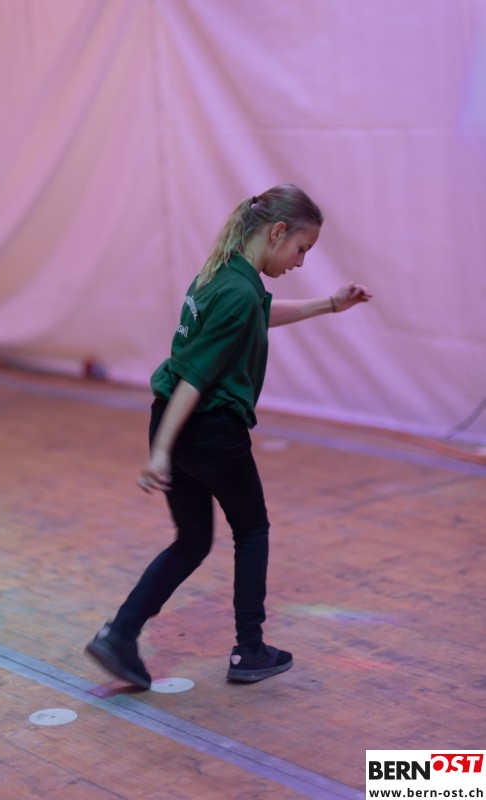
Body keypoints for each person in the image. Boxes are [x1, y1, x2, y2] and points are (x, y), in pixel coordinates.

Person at [85, 183, 371, 688]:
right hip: (210, 429)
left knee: (193, 539)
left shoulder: (223, 274)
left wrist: (330, 304)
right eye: (301, 248)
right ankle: (250, 651)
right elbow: (196, 378)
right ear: (277, 232)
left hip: (174, 420)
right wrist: (159, 453)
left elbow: (260, 313)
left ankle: (120, 634)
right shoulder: (239, 290)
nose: (301, 261)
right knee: (252, 529)